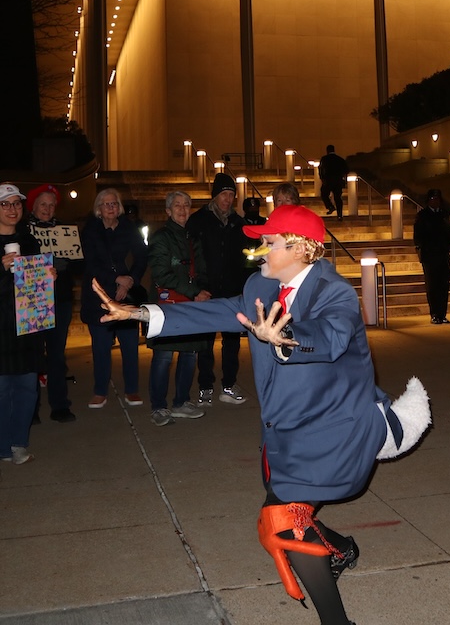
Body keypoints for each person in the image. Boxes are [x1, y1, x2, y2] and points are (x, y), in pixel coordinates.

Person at [91, 204, 431, 625]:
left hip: (335, 430)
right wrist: (141, 312)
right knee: (288, 513)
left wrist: (284, 334)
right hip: (288, 430)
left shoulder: (334, 292)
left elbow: (332, 336)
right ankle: (340, 549)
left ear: (300, 247)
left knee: (285, 523)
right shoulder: (261, 286)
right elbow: (218, 311)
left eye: (269, 243)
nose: (260, 251)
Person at [0, 183, 56, 464]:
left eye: (17, 204)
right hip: (1, 329)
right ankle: (2, 446)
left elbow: (36, 283)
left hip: (27, 326)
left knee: (26, 388)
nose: (13, 209)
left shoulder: (29, 240)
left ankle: (19, 443)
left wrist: (48, 277)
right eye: (5, 204)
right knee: (2, 390)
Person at [147, 191, 210, 426]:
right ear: (168, 211)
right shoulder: (161, 237)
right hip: (168, 304)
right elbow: (161, 273)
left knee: (189, 354)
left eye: (186, 205)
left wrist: (204, 289)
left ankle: (182, 402)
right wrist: (194, 291)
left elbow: (202, 269)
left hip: (192, 305)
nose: (182, 209)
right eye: (177, 205)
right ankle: (158, 407)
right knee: (163, 356)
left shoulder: (192, 237)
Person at [80, 188, 148, 408]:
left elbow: (141, 256)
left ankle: (132, 390)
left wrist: (130, 279)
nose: (110, 207)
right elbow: (91, 263)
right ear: (98, 208)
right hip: (98, 292)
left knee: (129, 345)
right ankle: (100, 391)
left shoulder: (129, 228)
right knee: (100, 347)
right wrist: (116, 280)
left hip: (125, 291)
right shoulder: (89, 230)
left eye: (114, 203)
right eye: (106, 204)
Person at [186, 172, 247, 406]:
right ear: (215, 195)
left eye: (231, 194)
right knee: (206, 341)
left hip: (232, 291)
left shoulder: (237, 223)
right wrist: (196, 286)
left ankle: (229, 385)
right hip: (206, 290)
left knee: (232, 341)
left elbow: (245, 259)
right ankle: (205, 387)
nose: (228, 198)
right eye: (224, 193)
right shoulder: (198, 220)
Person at [27, 183, 78, 423]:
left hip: (61, 299)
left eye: (51, 205)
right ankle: (31, 408)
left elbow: (81, 264)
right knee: (33, 355)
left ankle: (59, 406)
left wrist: (67, 264)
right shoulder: (24, 233)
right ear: (34, 206)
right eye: (43, 204)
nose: (47, 209)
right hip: (33, 300)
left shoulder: (65, 233)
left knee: (57, 355)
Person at [413, 189, 450, 324]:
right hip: (430, 256)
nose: (435, 201)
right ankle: (434, 313)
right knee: (432, 286)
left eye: (437, 198)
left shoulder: (445, 214)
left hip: (443, 254)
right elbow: (418, 235)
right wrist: (422, 248)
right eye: (432, 199)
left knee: (443, 285)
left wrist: (449, 245)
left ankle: (442, 314)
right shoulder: (423, 215)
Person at [318, 145, 348, 219]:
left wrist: (322, 178)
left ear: (327, 150)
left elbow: (321, 170)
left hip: (328, 181)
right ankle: (340, 215)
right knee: (338, 198)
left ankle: (330, 206)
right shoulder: (340, 159)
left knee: (324, 194)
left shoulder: (324, 159)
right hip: (338, 181)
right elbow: (346, 170)